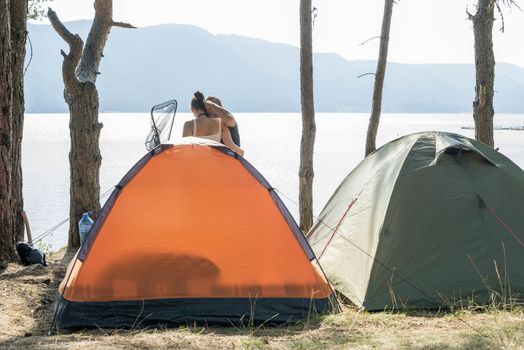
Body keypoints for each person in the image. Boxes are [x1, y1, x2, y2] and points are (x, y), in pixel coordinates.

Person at [183, 91, 244, 156]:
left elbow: (230, 120)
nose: (210, 111)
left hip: (229, 159)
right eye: (207, 108)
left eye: (211, 108)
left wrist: (211, 104)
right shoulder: (218, 123)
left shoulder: (224, 122)